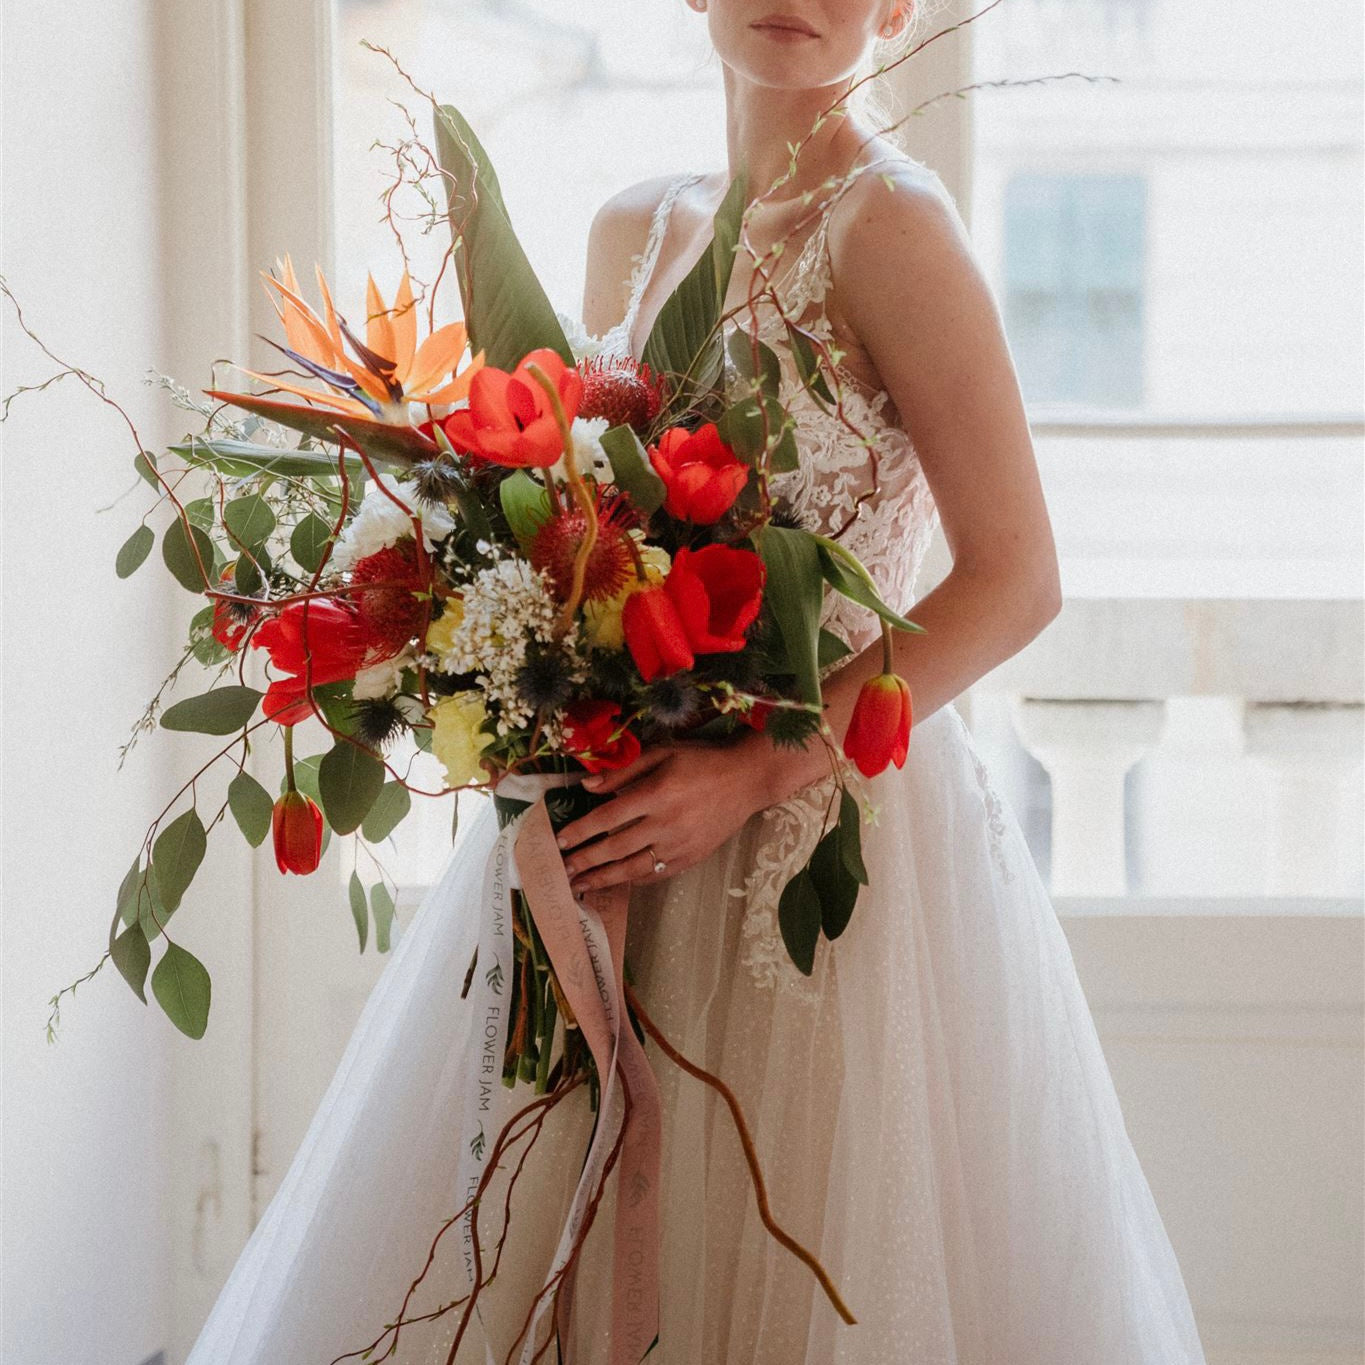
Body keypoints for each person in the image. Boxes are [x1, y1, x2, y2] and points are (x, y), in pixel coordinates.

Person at [186, 2, 1209, 1361]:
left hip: (813, 832)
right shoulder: (633, 227)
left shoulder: (893, 228)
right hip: (616, 818)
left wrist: (755, 769)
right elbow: (562, 518)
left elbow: (1014, 576)